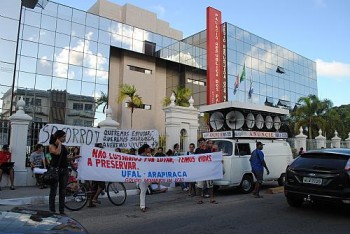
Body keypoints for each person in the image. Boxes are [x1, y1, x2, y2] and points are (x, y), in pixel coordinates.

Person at [48, 130, 69, 215]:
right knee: (53, 191)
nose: (65, 138)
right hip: (55, 170)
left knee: (63, 191)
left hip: (64, 170)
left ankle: (61, 210)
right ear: (58, 137)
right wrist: (59, 143)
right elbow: (57, 152)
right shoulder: (51, 146)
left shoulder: (65, 147)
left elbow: (65, 158)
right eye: (63, 137)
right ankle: (52, 210)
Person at [195, 138, 217, 204]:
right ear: (199, 143)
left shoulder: (208, 150)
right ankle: (200, 199)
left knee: (210, 185)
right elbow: (194, 159)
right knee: (199, 186)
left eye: (203, 142)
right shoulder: (197, 150)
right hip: (200, 170)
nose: (202, 143)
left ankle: (212, 199)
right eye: (200, 142)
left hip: (208, 170)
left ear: (205, 142)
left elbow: (213, 158)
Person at [88, 143, 105, 207]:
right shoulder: (99, 153)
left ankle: (90, 203)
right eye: (101, 147)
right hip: (98, 173)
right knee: (102, 186)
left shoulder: (93, 153)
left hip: (93, 173)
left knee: (94, 188)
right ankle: (95, 198)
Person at [138, 144, 151, 212]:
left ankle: (143, 205)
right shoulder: (140, 157)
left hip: (146, 175)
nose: (150, 149)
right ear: (145, 149)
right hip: (141, 176)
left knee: (144, 190)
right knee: (143, 191)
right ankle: (142, 206)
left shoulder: (147, 156)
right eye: (149, 148)